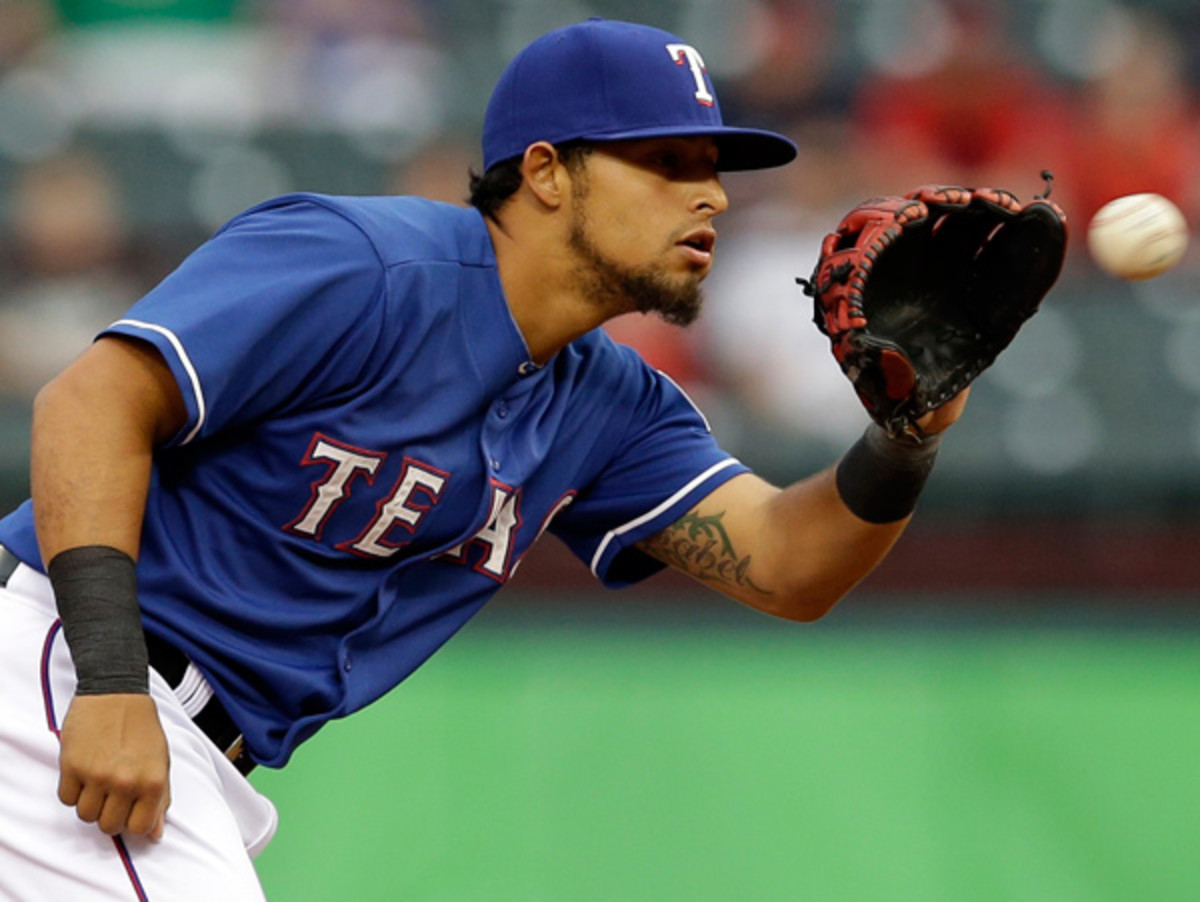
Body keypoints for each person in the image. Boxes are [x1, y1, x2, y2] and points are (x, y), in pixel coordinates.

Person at [0, 17, 967, 900]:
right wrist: (112, 679)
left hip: (181, 743)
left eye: (713, 164)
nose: (710, 192)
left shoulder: (607, 405)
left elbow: (789, 566)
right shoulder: (364, 264)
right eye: (666, 161)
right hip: (67, 670)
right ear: (548, 171)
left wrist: (908, 433)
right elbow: (90, 403)